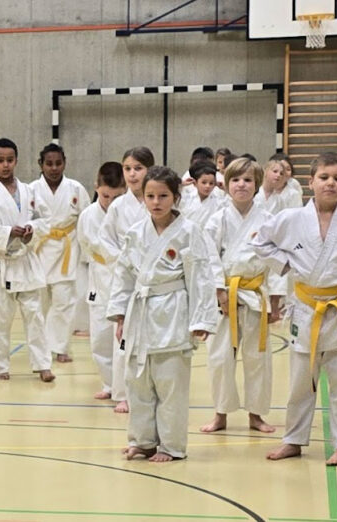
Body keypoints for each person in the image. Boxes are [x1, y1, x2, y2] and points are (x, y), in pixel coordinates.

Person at [253, 152, 337, 466]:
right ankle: (293, 440)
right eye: (324, 177)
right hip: (305, 309)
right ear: (310, 182)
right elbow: (259, 242)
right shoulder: (292, 218)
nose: (330, 183)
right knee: (299, 383)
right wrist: (284, 265)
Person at [108, 166, 218, 462]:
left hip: (173, 313)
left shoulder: (189, 232)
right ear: (142, 197)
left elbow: (201, 277)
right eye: (150, 196)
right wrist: (119, 313)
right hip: (140, 313)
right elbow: (124, 275)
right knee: (138, 383)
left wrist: (201, 319)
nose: (156, 202)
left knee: (171, 386)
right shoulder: (135, 233)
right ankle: (142, 441)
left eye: (163, 196)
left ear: (176, 197)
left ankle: (171, 446)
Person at [200, 158, 284, 434]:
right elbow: (208, 258)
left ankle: (256, 415)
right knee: (220, 358)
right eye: (236, 179)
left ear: (257, 184)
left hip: (256, 293)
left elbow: (275, 260)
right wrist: (219, 291)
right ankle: (220, 414)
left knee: (257, 358)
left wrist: (275, 300)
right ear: (227, 185)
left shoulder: (269, 220)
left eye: (248, 180)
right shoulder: (217, 219)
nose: (241, 185)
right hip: (225, 296)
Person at [0, 138, 54, 381]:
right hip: (3, 265)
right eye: (0, 161)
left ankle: (43, 365)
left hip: (27, 263)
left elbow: (45, 220)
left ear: (16, 161)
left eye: (9, 160)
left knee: (35, 316)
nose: (5, 165)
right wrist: (8, 232)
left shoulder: (30, 191)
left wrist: (31, 229)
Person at [98, 146, 156, 412]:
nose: (132, 174)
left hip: (155, 278)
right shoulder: (119, 206)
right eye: (128, 168)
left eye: (138, 168)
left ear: (149, 170)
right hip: (125, 278)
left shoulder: (158, 200)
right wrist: (123, 260)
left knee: (152, 339)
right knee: (122, 336)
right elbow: (104, 240)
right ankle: (121, 393)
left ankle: (149, 390)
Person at [29, 144, 91, 363]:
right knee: (40, 304)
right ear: (41, 164)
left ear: (65, 162)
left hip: (68, 249)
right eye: (49, 163)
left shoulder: (75, 189)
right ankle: (42, 346)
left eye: (58, 163)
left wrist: (87, 254)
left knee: (64, 301)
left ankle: (61, 347)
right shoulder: (32, 190)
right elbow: (26, 220)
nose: (54, 168)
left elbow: (87, 220)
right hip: (40, 249)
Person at [78, 161, 127, 401]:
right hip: (99, 280)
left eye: (117, 196)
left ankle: (124, 390)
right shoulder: (88, 215)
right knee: (99, 339)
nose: (110, 201)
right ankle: (109, 384)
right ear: (96, 187)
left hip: (124, 281)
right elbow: (86, 247)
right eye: (106, 195)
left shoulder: (129, 212)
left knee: (124, 341)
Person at [180, 160, 225, 227]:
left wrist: (225, 189)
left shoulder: (219, 202)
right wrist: (180, 184)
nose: (207, 186)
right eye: (204, 182)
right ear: (195, 183)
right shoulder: (187, 199)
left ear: (215, 184)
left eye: (211, 183)